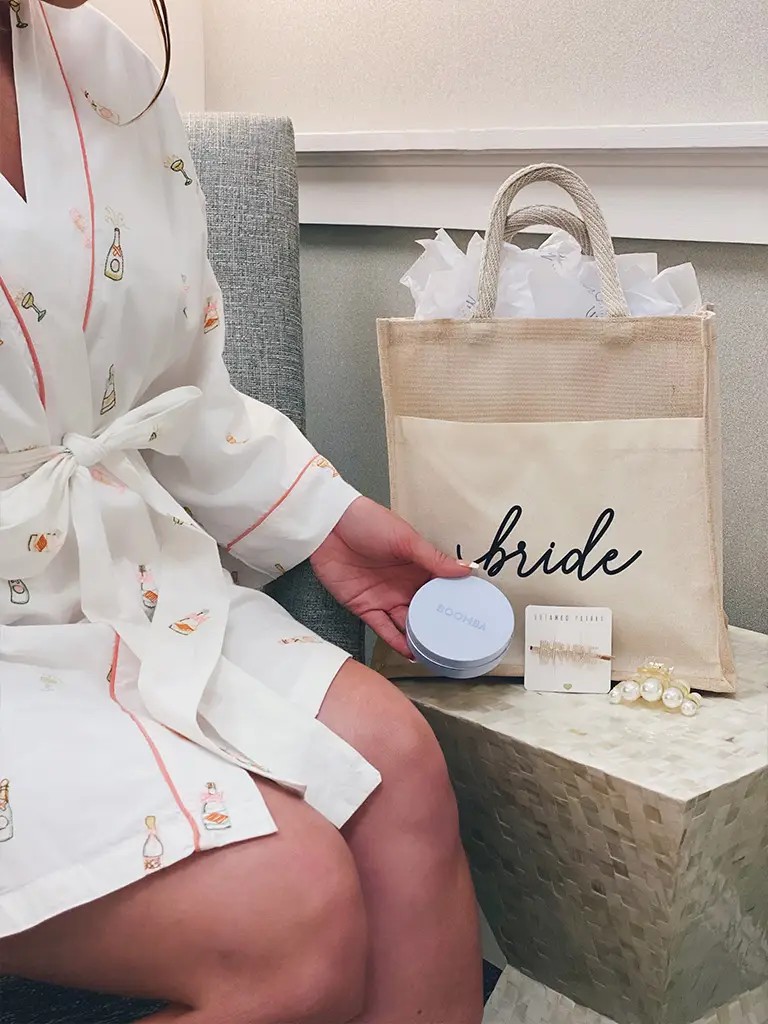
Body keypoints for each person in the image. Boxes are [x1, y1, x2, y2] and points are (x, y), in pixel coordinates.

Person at [0, 2, 483, 1022]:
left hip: (127, 574)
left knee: (401, 770)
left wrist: (327, 517)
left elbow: (177, 388)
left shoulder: (105, 74)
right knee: (291, 908)